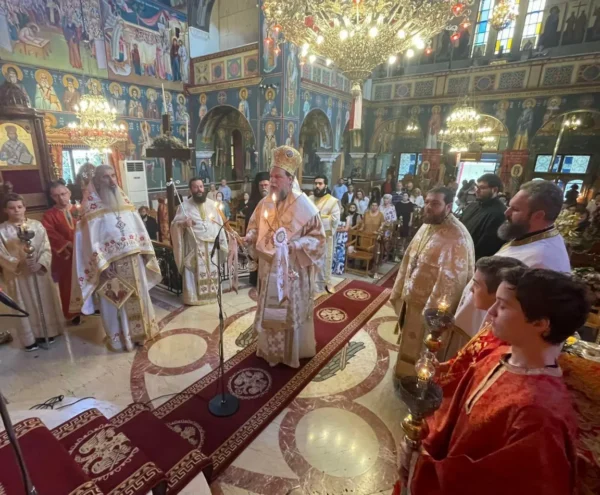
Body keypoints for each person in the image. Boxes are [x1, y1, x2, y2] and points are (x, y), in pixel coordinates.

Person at [399, 267, 588, 495]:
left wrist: (422, 467)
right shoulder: (498, 357)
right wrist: (421, 442)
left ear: (540, 324)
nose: (491, 311)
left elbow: (498, 485)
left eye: (503, 306)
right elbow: (453, 416)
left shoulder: (539, 416)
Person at [454, 180, 571, 339]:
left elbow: (517, 313)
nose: (506, 212)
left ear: (538, 216)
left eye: (515, 209)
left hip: (493, 336)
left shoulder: (542, 259)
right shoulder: (530, 237)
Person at [244, 146, 325, 368]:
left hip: (292, 272)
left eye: (277, 177)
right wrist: (249, 237)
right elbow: (255, 226)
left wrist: (296, 245)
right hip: (268, 269)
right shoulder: (265, 203)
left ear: (290, 179)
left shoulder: (305, 207)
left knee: (288, 311)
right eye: (271, 176)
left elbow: (319, 240)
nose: (272, 181)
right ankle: (269, 350)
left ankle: (291, 353)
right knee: (270, 308)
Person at [73, 165, 161, 352]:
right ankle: (122, 339)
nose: (112, 181)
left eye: (113, 175)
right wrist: (101, 267)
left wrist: (145, 252)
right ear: (97, 181)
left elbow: (138, 229)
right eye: (106, 177)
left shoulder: (125, 202)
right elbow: (86, 242)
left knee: (139, 298)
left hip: (134, 262)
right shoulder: (90, 209)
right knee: (116, 302)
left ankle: (142, 335)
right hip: (110, 268)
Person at [389, 187, 475, 377]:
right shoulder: (428, 224)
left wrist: (433, 317)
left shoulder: (456, 237)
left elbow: (452, 283)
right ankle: (404, 373)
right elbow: (410, 257)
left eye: (435, 203)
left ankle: (417, 379)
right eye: (427, 202)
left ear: (448, 206)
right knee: (408, 342)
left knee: (423, 347)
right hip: (413, 300)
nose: (428, 207)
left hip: (428, 308)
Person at [439, 256, 526, 380]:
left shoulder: (503, 341)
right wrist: (441, 368)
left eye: (476, 284)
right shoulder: (494, 325)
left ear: (497, 292)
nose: (471, 289)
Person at [0, 194, 65, 351]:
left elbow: (45, 247)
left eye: (19, 207)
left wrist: (40, 263)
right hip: (17, 275)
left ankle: (48, 331)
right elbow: (1, 254)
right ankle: (30, 338)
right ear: (5, 210)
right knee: (23, 303)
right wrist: (17, 263)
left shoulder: (36, 226)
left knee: (43, 299)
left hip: (38, 272)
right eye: (12, 208)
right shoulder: (2, 230)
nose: (16, 210)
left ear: (25, 208)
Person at [171, 178, 228, 306]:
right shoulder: (184, 206)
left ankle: (213, 295)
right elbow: (174, 225)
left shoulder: (212, 204)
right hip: (194, 247)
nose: (199, 190)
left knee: (212, 269)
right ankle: (193, 298)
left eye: (201, 186)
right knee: (193, 271)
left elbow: (219, 224)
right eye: (195, 187)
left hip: (211, 247)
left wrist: (222, 241)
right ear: (190, 190)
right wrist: (183, 223)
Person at [42, 182, 81, 325]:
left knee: (88, 278)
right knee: (68, 283)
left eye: (63, 194)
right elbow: (49, 233)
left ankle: (90, 307)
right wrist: (67, 244)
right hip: (66, 255)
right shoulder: (49, 215)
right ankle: (73, 312)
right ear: (52, 197)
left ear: (69, 193)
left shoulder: (81, 209)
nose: (61, 198)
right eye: (56, 196)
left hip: (84, 252)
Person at [460, 173, 506, 260]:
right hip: (460, 252)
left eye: (482, 188)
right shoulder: (472, 206)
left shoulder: (500, 213)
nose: (477, 190)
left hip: (473, 259)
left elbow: (486, 247)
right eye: (477, 187)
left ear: (494, 189)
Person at [312, 175, 341, 293]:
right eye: (316, 183)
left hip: (324, 238)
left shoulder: (332, 201)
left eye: (320, 183)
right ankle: (309, 283)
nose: (317, 186)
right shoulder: (309, 199)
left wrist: (317, 218)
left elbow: (335, 220)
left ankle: (325, 283)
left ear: (325, 185)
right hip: (310, 237)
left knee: (324, 261)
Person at [245, 171, 270, 287]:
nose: (264, 187)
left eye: (266, 185)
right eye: (261, 185)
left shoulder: (276, 201)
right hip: (258, 237)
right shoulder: (253, 202)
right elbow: (250, 223)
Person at [333, 203, 361, 275]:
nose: (340, 209)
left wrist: (337, 229)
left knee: (340, 253)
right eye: (339, 208)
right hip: (335, 236)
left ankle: (339, 270)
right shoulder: (335, 216)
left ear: (344, 209)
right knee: (334, 252)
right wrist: (339, 229)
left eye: (341, 208)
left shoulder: (347, 217)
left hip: (342, 237)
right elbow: (333, 227)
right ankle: (332, 269)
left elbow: (346, 229)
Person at [380, 194, 397, 260]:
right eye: (384, 198)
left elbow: (394, 218)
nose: (385, 200)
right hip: (380, 225)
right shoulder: (380, 206)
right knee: (379, 239)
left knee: (386, 240)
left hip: (388, 226)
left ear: (390, 200)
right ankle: (380, 253)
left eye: (387, 199)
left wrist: (388, 223)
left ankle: (385, 254)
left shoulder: (392, 207)